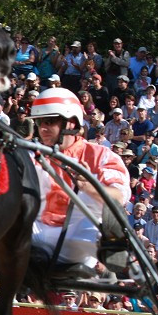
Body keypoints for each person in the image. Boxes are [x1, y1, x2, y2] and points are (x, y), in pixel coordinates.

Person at [28, 87, 129, 272]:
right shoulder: (31, 154)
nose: (42, 128)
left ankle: (116, 256)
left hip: (78, 236)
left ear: (71, 123)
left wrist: (89, 187)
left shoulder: (100, 155)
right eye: (39, 122)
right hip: (35, 234)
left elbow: (118, 197)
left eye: (49, 121)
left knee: (101, 205)